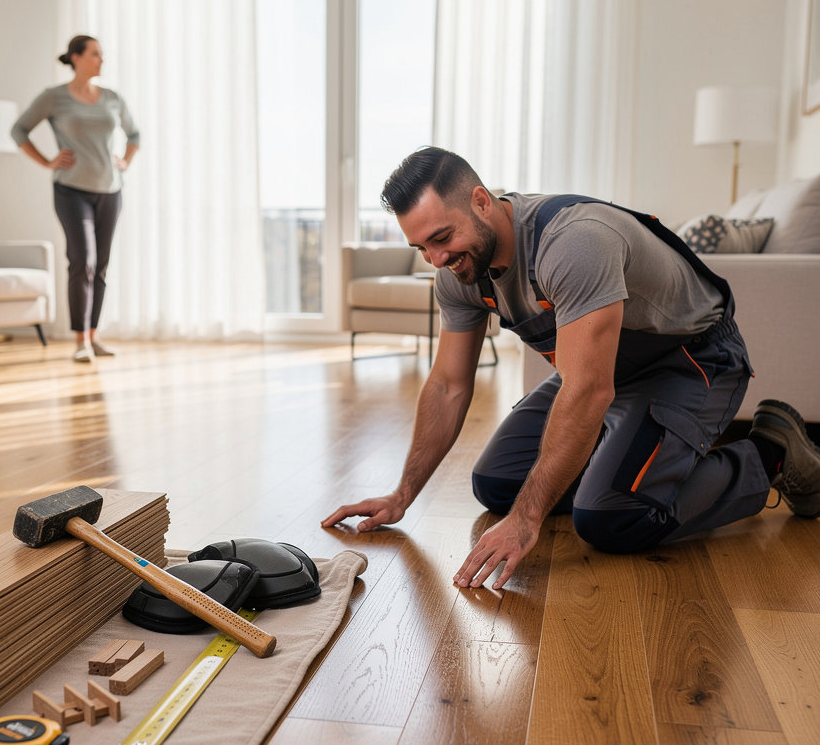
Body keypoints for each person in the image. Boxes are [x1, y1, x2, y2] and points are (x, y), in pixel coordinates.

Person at [322, 146, 820, 591]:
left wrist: (527, 520)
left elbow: (587, 390)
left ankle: (770, 456)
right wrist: (402, 495)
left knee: (609, 519)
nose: (436, 258)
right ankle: (628, 457)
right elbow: (450, 385)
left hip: (691, 361)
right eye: (421, 248)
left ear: (480, 201)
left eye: (442, 237)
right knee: (496, 485)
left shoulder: (573, 243)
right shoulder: (459, 272)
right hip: (603, 373)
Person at [12, 35, 140, 363]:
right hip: (71, 190)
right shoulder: (54, 98)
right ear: (77, 58)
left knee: (101, 267)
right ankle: (80, 340)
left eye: (102, 55)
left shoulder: (112, 98)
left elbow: (134, 134)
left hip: (110, 191)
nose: (101, 60)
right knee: (83, 261)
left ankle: (94, 336)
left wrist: (125, 160)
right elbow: (19, 130)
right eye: (96, 54)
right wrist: (47, 161)